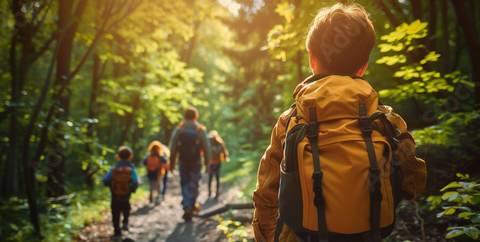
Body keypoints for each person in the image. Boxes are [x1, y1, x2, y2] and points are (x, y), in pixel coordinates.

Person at [252, 3, 426, 242]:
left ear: (312, 59)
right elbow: (411, 186)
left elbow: (266, 195)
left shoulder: (290, 120)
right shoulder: (384, 119)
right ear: (363, 66)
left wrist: (264, 237)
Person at [169, 107, 211, 221]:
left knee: (184, 182)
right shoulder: (200, 129)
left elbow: (172, 147)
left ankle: (187, 205)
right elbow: (207, 148)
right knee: (194, 182)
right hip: (196, 161)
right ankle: (192, 205)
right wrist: (207, 163)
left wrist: (171, 163)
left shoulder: (179, 129)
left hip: (183, 161)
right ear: (195, 117)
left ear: (185, 117)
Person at [103, 146, 139, 240]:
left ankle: (117, 232)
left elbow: (106, 180)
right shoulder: (131, 168)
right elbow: (135, 181)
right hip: (126, 195)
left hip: (115, 195)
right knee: (126, 208)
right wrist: (132, 190)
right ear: (130, 157)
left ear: (118, 156)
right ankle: (125, 223)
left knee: (115, 213)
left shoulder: (114, 168)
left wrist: (113, 186)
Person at [143, 140, 170, 204]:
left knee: (151, 185)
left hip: (150, 173)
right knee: (159, 186)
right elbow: (166, 161)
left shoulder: (149, 155)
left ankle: (151, 198)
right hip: (158, 173)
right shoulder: (160, 155)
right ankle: (158, 199)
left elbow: (144, 162)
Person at [207, 130, 230, 198]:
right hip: (217, 162)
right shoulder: (219, 142)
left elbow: (205, 151)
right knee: (217, 177)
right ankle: (217, 193)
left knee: (210, 178)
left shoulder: (208, 142)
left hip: (211, 162)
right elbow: (224, 150)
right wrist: (225, 157)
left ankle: (209, 192)